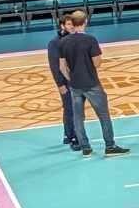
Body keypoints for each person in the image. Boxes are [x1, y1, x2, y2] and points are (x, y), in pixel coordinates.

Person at [60, 9, 127, 156]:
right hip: (91, 84)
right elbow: (97, 63)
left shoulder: (63, 42)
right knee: (103, 115)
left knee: (78, 117)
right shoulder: (90, 40)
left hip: (75, 86)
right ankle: (110, 146)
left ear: (73, 23)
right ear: (85, 22)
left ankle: (85, 148)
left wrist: (72, 79)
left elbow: (62, 67)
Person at [47, 12, 79, 148]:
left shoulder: (74, 38)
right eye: (69, 24)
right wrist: (60, 84)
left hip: (76, 80)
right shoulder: (54, 43)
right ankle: (73, 137)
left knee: (71, 108)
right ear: (62, 25)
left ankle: (68, 135)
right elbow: (55, 66)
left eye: (73, 24)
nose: (72, 26)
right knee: (70, 108)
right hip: (65, 82)